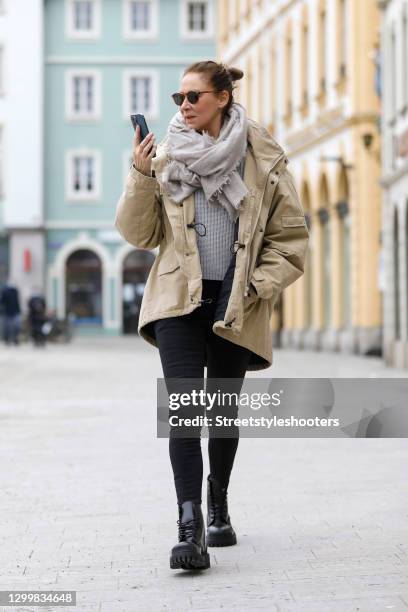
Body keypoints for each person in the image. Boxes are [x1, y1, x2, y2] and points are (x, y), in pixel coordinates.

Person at [115, 60, 310, 571]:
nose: (183, 106)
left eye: (193, 96)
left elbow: (289, 242)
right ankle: (189, 525)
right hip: (178, 300)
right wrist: (139, 175)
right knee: (184, 412)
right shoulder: (164, 157)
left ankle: (218, 502)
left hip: (235, 303)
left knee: (221, 415)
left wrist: (254, 287)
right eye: (178, 98)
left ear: (223, 97)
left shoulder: (262, 156)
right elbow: (140, 235)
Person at [0, 279, 21, 346]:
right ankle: (7, 340)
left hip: (15, 311)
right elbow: (2, 301)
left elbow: (17, 302)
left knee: (16, 326)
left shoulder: (15, 291)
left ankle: (15, 339)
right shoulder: (5, 291)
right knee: (7, 327)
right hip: (7, 312)